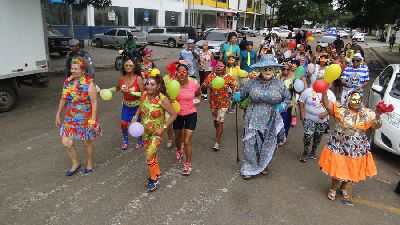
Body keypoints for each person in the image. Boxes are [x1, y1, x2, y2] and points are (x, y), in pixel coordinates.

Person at [232, 55, 290, 179]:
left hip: (271, 118)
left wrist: (282, 106)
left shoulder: (280, 84)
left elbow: (287, 99)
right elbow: (242, 94)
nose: (268, 71)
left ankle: (264, 164)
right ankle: (249, 167)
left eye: (270, 68)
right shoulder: (251, 83)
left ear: (274, 69)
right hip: (253, 116)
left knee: (268, 142)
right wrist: (237, 94)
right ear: (260, 69)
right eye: (265, 68)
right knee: (250, 142)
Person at [319, 91, 382, 200]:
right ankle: (333, 188)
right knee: (338, 167)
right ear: (349, 100)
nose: (356, 104)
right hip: (340, 144)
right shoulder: (341, 109)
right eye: (353, 101)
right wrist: (324, 92)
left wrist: (378, 116)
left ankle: (343, 187)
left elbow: (377, 126)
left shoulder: (367, 113)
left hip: (357, 147)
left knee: (352, 169)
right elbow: (327, 105)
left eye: (358, 102)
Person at [55, 57, 101, 176]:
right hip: (70, 116)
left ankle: (90, 162)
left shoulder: (89, 84)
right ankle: (75, 163)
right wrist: (58, 114)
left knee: (86, 142)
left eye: (76, 69)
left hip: (85, 117)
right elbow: (63, 99)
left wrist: (93, 121)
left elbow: (94, 103)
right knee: (66, 142)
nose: (73, 71)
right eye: (72, 68)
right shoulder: (67, 82)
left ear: (83, 70)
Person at [132, 75, 177, 192]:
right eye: (147, 84)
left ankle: (154, 179)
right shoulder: (144, 95)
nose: (148, 86)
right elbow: (141, 107)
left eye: (152, 84)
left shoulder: (162, 99)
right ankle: (157, 172)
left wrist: (164, 127)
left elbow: (174, 114)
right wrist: (136, 115)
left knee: (148, 156)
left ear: (158, 87)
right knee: (151, 153)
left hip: (157, 132)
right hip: (145, 130)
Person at [108, 60, 144, 150]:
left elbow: (144, 95)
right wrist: (108, 90)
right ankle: (125, 140)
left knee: (137, 123)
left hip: (137, 106)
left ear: (134, 67)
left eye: (130, 65)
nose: (128, 67)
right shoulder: (122, 78)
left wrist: (132, 93)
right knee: (123, 124)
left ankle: (140, 140)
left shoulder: (138, 78)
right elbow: (117, 88)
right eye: (126, 65)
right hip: (126, 105)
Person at [173, 64, 201, 175]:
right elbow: (166, 97)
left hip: (191, 113)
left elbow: (198, 95)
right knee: (178, 136)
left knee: (187, 140)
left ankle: (187, 164)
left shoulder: (194, 85)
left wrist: (197, 100)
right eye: (179, 71)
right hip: (177, 114)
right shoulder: (172, 85)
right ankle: (179, 150)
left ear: (187, 73)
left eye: (184, 71)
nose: (181, 73)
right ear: (176, 73)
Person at [201, 61, 235, 151]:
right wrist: (207, 85)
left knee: (220, 121)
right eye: (217, 66)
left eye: (221, 66)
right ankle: (218, 132)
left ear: (225, 67)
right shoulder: (211, 76)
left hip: (224, 103)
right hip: (213, 103)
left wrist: (233, 97)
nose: (219, 67)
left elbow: (233, 86)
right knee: (216, 121)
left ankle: (217, 142)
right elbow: (202, 87)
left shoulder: (228, 77)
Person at [299, 84, 336, 162]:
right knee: (307, 136)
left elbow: (333, 107)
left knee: (318, 137)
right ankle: (305, 152)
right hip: (309, 118)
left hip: (322, 121)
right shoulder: (308, 91)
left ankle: (313, 151)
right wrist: (302, 112)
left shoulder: (330, 93)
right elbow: (301, 101)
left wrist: (326, 113)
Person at [276, 62, 295, 146]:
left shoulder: (292, 80)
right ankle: (275, 137)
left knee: (285, 122)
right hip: (276, 103)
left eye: (288, 69)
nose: (285, 71)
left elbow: (298, 90)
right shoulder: (276, 78)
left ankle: (283, 138)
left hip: (288, 104)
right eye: (284, 69)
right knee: (276, 121)